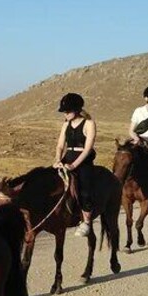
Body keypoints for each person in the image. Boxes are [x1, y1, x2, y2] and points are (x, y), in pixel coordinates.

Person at [53, 92, 97, 237]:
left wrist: (73, 165)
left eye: (67, 111)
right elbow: (60, 145)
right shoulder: (66, 124)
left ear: (77, 110)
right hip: (68, 156)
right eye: (64, 111)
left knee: (84, 187)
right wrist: (58, 160)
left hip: (83, 159)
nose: (65, 114)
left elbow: (88, 148)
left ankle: (86, 221)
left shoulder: (89, 124)